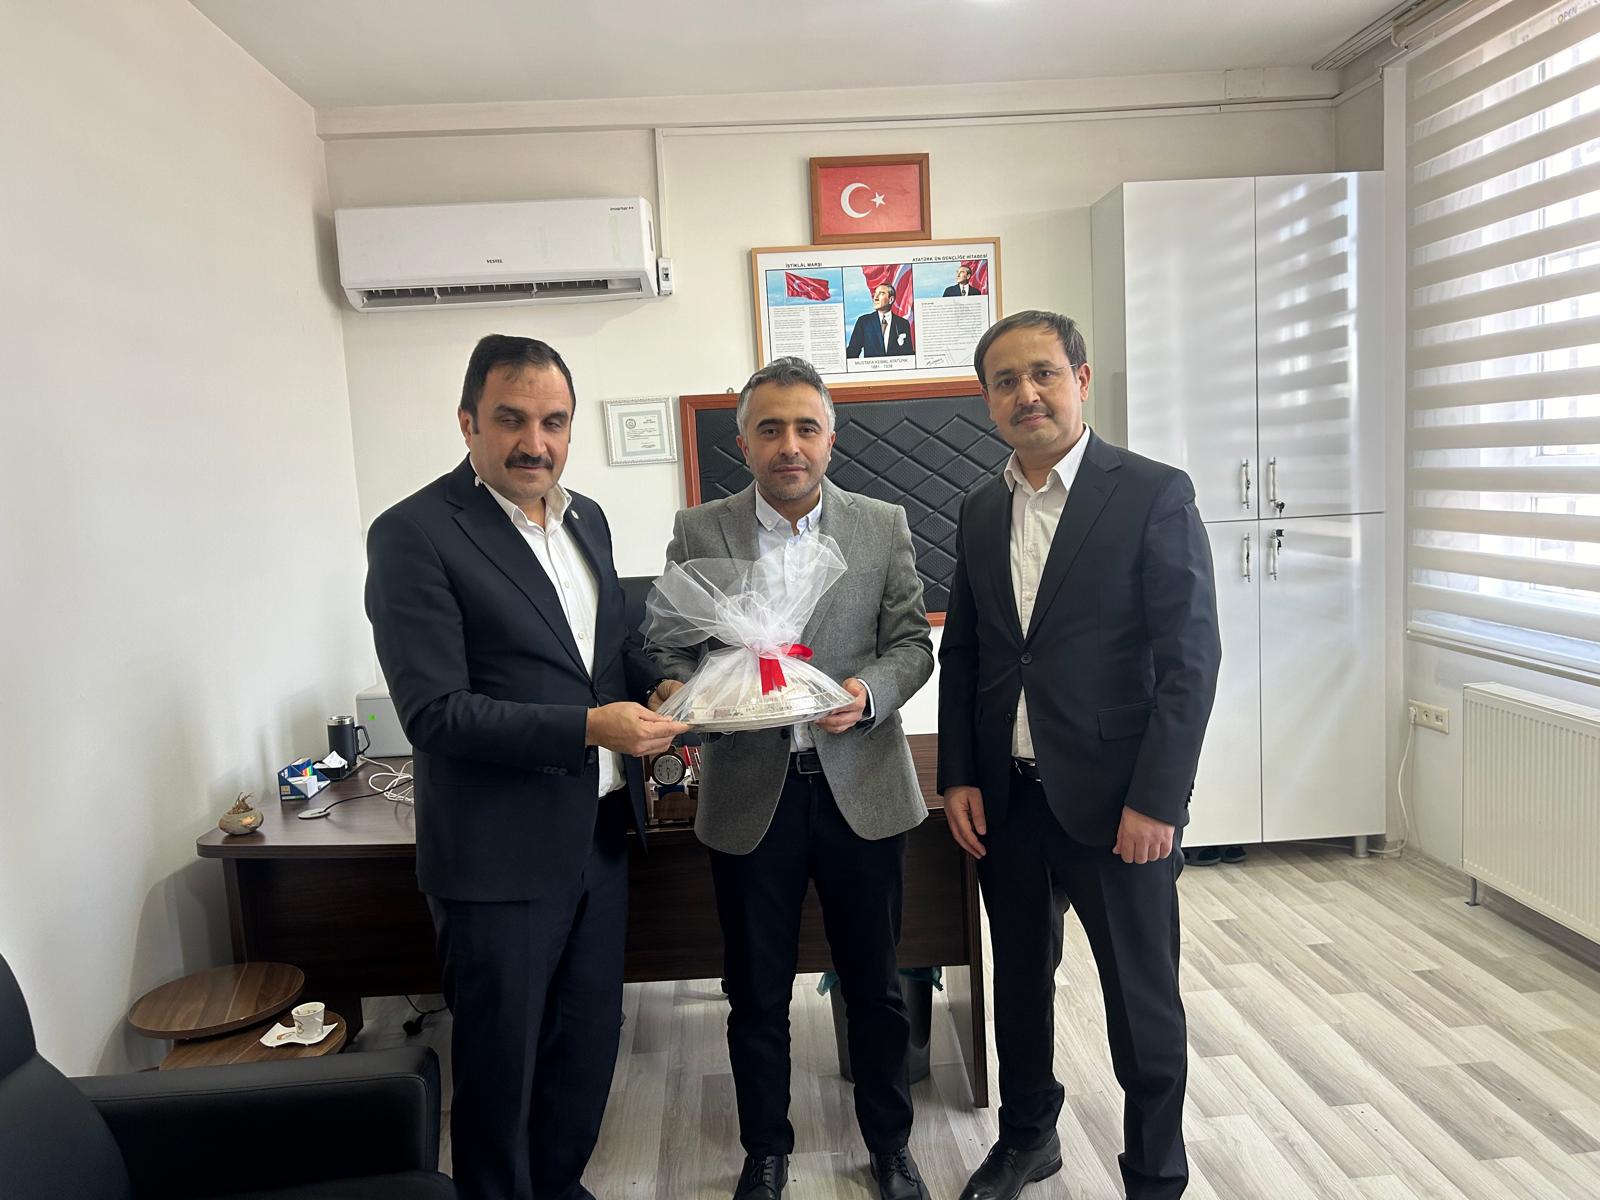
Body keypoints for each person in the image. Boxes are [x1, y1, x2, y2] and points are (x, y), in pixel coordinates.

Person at [365, 334, 687, 1200]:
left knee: (586, 1051)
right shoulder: (414, 534)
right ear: (467, 422)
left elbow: (606, 650)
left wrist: (657, 683)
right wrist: (589, 727)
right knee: (501, 1073)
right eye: (511, 419)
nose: (534, 443)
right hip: (497, 857)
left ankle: (558, 1187)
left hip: (601, 839)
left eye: (553, 422)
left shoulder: (587, 519)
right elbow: (436, 712)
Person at [937, 311, 1221, 1200]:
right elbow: (968, 653)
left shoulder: (1151, 493)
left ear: (1081, 380)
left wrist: (1159, 802)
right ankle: (1028, 1138)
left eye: (1044, 374)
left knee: (1142, 1001)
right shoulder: (981, 508)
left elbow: (1190, 660)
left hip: (1118, 807)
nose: (1027, 394)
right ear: (987, 400)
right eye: (1006, 381)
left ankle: (1155, 1175)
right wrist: (959, 775)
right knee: (1019, 985)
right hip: (1010, 802)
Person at [648, 356, 935, 1200]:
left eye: (806, 427)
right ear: (742, 442)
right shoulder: (700, 529)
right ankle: (765, 1151)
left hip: (861, 787)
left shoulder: (880, 524)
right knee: (755, 992)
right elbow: (668, 644)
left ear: (830, 439)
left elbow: (911, 644)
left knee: (876, 990)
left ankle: (890, 1145)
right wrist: (680, 690)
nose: (789, 445)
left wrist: (867, 693)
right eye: (769, 429)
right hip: (750, 794)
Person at [846, 282, 915, 358]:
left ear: (891, 299)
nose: (875, 298)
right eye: (875, 294)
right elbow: (852, 351)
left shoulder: (903, 323)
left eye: (881, 293)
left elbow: (908, 354)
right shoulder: (863, 322)